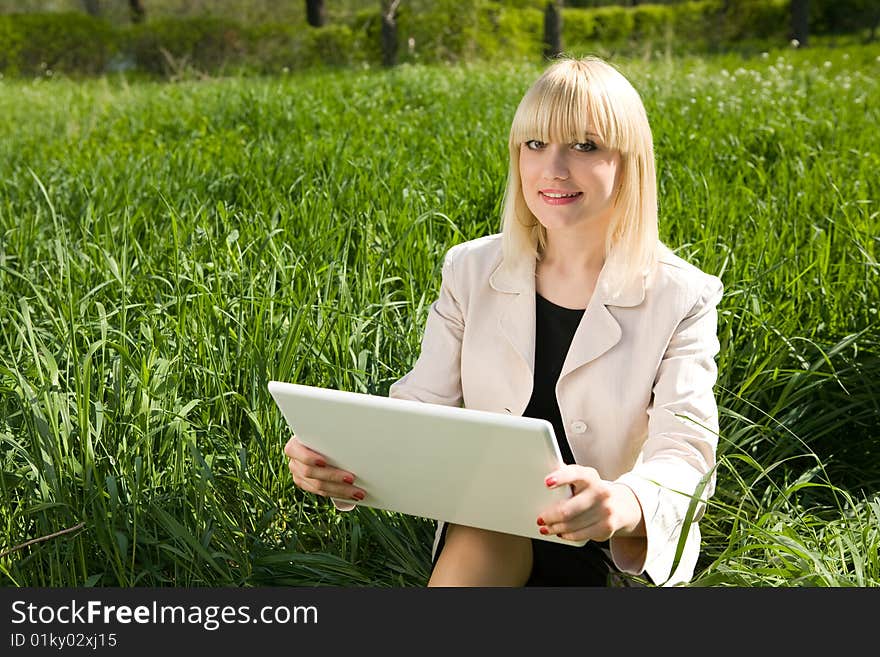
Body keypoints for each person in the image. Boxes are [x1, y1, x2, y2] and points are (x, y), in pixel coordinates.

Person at [284, 56, 724, 587]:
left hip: (610, 544)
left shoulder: (683, 295)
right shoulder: (471, 269)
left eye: (584, 146)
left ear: (628, 161)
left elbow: (685, 451)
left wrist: (623, 503)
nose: (553, 169)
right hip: (493, 528)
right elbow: (422, 405)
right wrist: (338, 453)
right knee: (492, 524)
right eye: (535, 144)